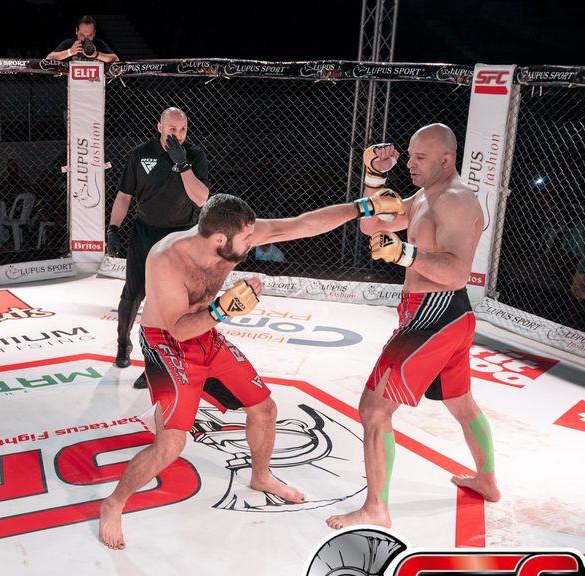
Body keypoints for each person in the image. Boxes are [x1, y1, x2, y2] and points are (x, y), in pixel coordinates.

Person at [98, 190, 406, 549]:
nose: (252, 242)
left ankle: (261, 477)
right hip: (167, 341)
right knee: (171, 443)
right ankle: (113, 503)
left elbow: (302, 225)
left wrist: (362, 207)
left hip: (205, 334)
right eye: (246, 237)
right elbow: (178, 329)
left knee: (264, 408)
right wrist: (221, 310)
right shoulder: (168, 259)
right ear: (219, 239)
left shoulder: (233, 236)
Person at [326, 123, 501, 531]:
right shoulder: (425, 195)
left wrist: (405, 254)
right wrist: (374, 178)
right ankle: (487, 481)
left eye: (420, 157)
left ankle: (376, 508)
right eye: (409, 155)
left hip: (435, 314)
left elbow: (457, 273)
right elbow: (373, 226)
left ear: (446, 159)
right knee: (461, 404)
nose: (410, 163)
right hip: (443, 315)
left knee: (374, 410)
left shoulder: (456, 201)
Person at [110, 107, 210, 389]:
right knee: (132, 294)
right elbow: (124, 195)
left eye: (183, 129)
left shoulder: (194, 154)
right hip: (145, 232)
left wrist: (183, 165)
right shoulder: (140, 154)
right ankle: (122, 343)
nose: (178, 134)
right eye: (172, 129)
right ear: (160, 127)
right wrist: (113, 228)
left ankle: (155, 364)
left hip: (179, 237)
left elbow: (202, 199)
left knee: (166, 302)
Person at [46, 15, 118, 63]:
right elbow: (48, 58)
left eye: (89, 35)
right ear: (76, 31)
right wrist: (70, 52)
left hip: (95, 81)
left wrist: (96, 54)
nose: (86, 38)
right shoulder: (68, 43)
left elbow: (116, 59)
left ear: (94, 33)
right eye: (82, 35)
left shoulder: (99, 44)